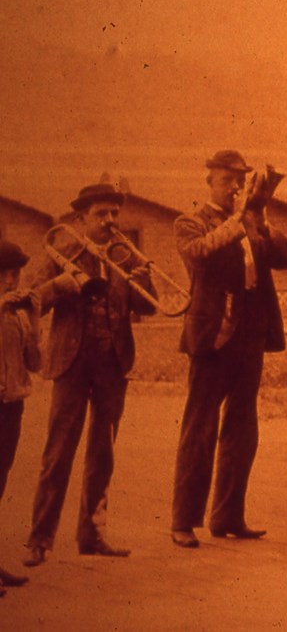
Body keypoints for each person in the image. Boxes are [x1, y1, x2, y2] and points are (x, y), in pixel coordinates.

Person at [170, 151, 287, 549]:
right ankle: (183, 521)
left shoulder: (252, 220)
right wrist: (238, 220)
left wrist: (260, 218)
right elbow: (200, 254)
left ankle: (227, 515)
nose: (235, 188)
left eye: (240, 181)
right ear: (210, 181)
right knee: (200, 429)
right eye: (228, 181)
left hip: (251, 335)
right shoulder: (190, 222)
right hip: (213, 336)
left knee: (243, 429)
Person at [22, 184, 156, 566]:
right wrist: (61, 285)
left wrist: (143, 276)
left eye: (115, 213)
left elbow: (148, 307)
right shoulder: (62, 252)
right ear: (82, 219)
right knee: (59, 452)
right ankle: (39, 539)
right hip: (71, 363)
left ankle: (93, 534)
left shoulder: (125, 257)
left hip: (113, 363)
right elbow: (32, 300)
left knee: (104, 453)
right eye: (102, 213)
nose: (110, 221)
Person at [0, 240, 39, 591]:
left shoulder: (19, 314)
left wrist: (35, 319)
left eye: (16, 274)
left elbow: (36, 363)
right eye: (6, 275)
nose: (13, 281)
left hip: (12, 404)